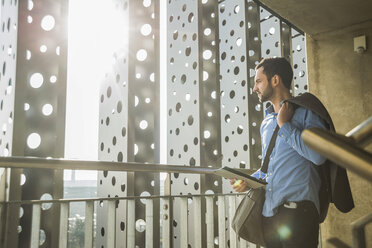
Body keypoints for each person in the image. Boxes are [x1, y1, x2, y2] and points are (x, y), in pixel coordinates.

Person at [230, 57, 328, 248]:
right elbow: (270, 168)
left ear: (275, 80)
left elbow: (318, 156)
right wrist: (247, 180)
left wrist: (285, 125)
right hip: (269, 214)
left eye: (258, 81)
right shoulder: (266, 122)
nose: (254, 88)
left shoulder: (307, 113)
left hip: (299, 213)